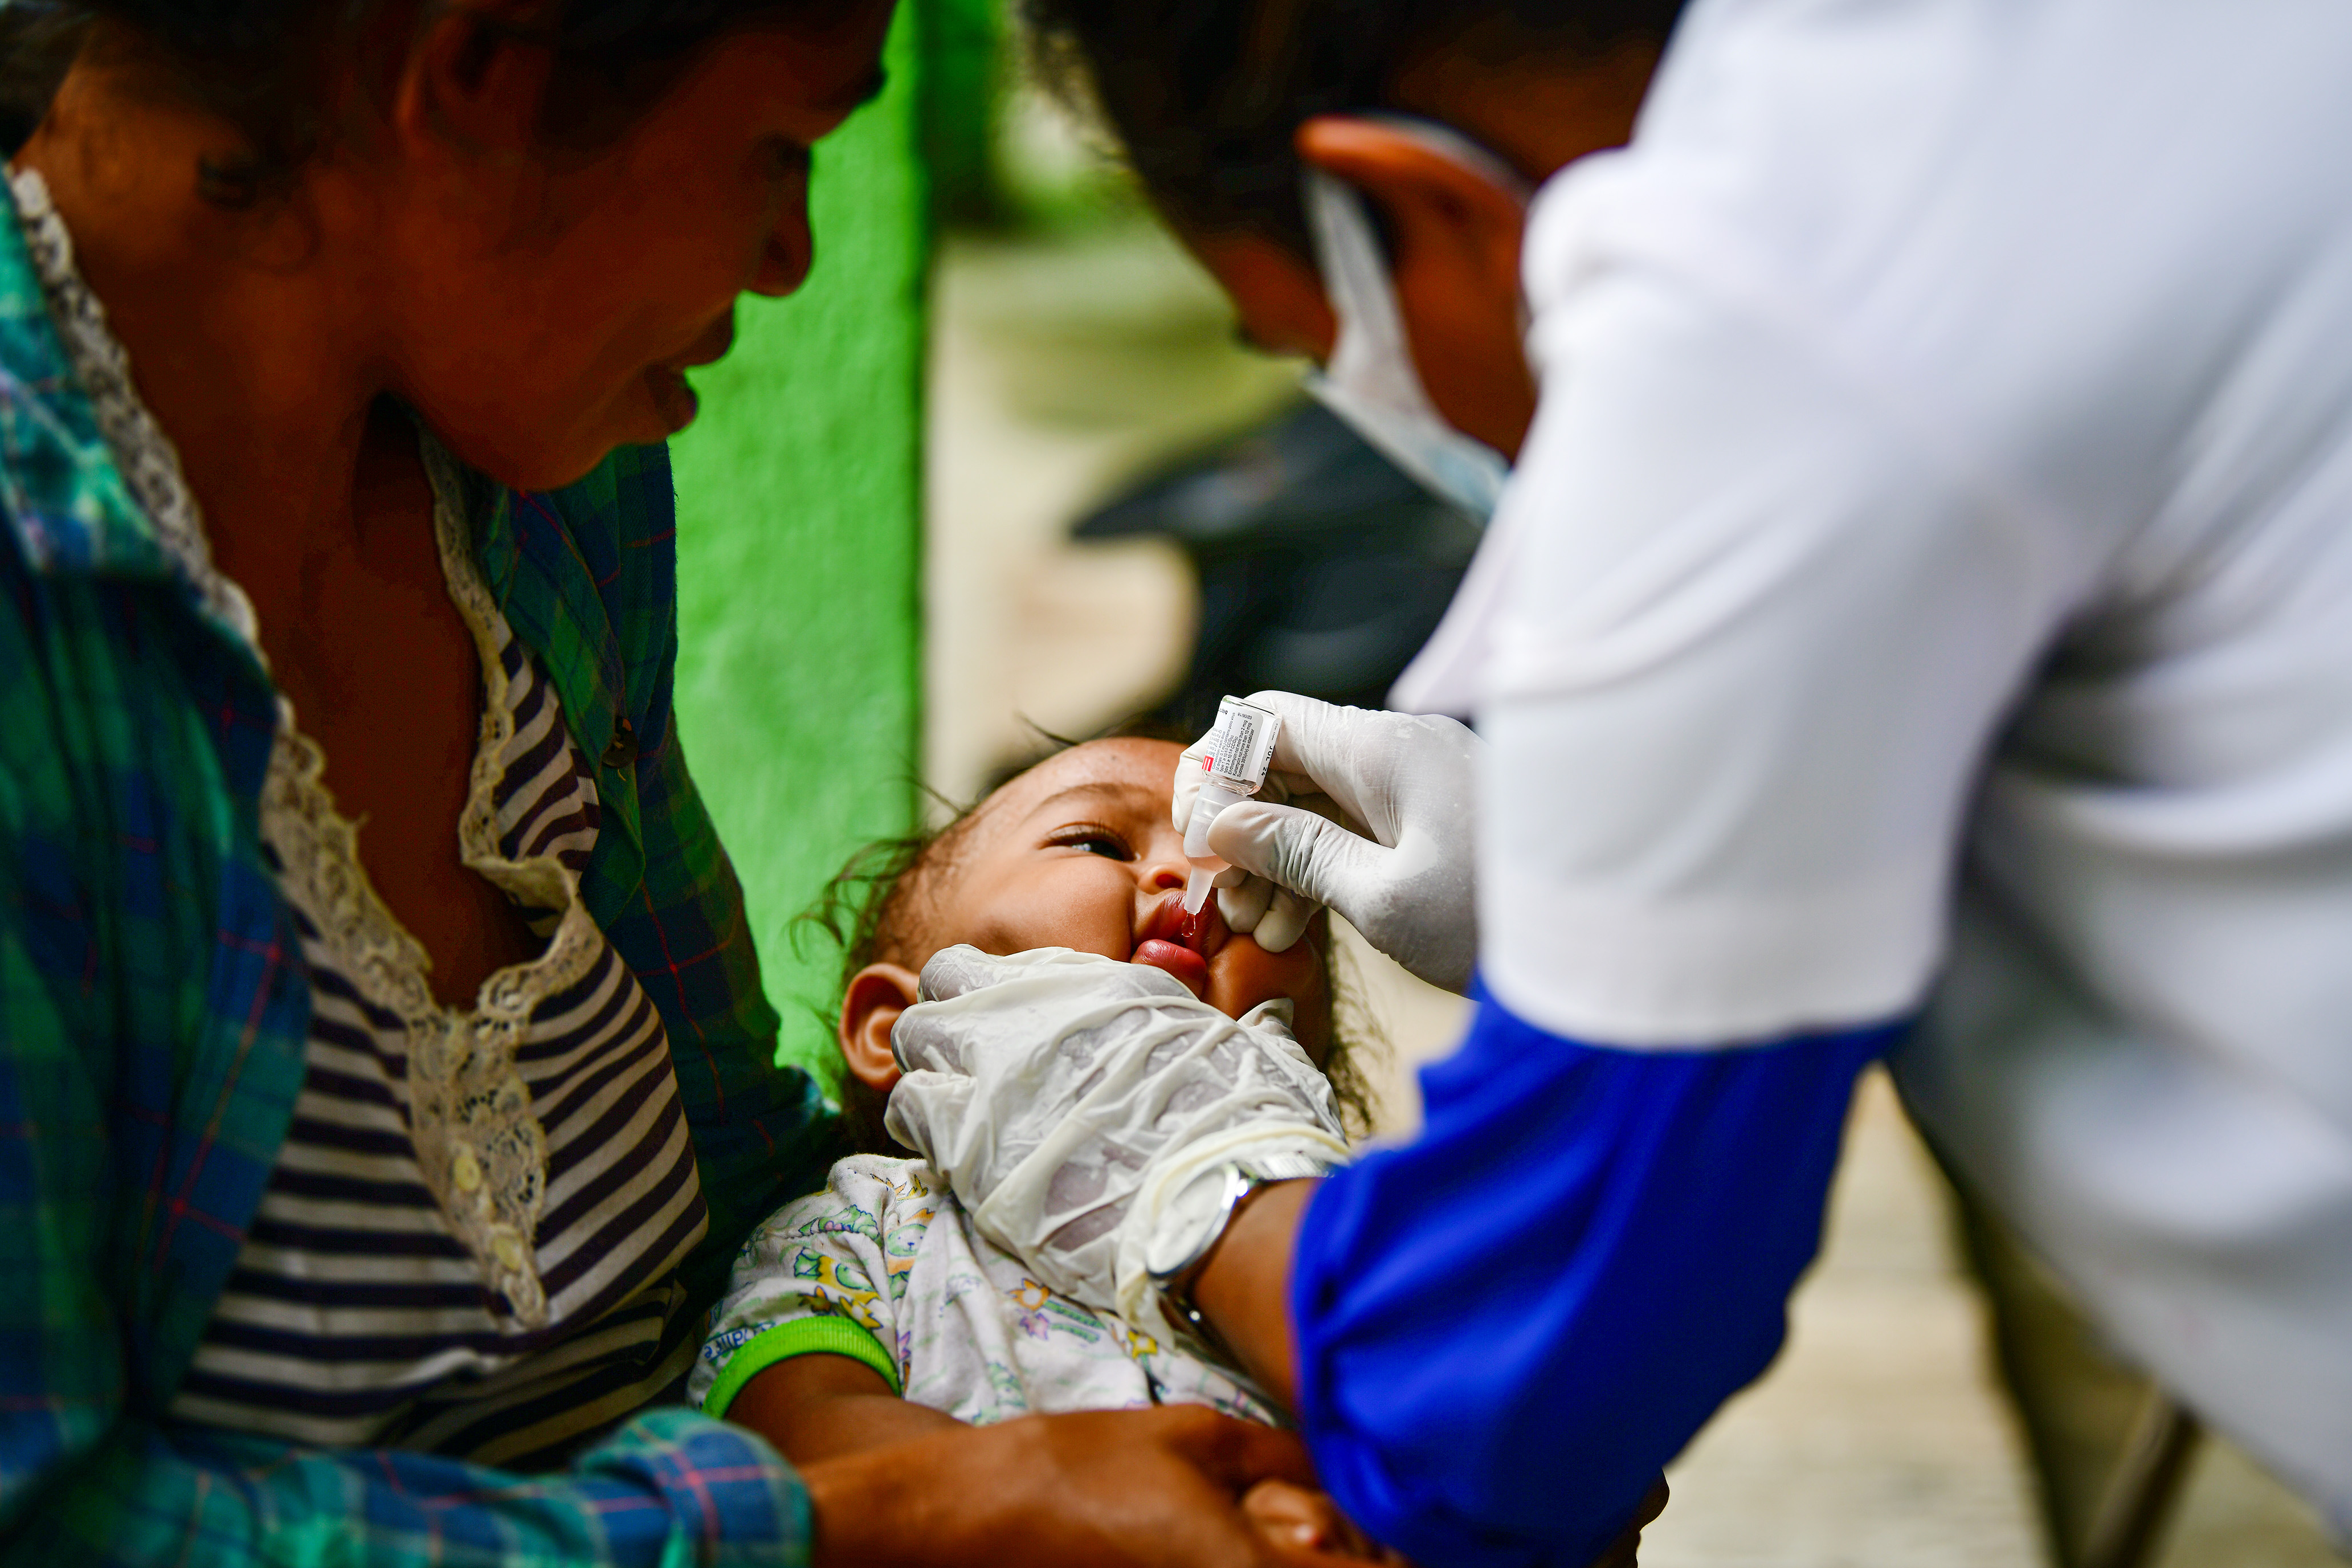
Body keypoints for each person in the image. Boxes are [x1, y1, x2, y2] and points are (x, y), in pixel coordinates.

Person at [880, 0, 2352, 1563]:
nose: (1167, 880)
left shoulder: (1754, 348)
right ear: (887, 1020)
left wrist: (1179, 1173)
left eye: (1318, 352)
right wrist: (1562, 880)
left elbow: (1518, 1403)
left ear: (1418, 205)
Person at [0, 5, 1350, 1563]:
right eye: (778, 150)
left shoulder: (544, 496)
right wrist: (877, 1509)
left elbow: (735, 1163)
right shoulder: (52, 633)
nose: (788, 254)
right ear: (480, 80)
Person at [690, 736, 1405, 1562]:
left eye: (1264, 890)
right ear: (899, 1029)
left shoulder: (1354, 1218)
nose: (1196, 871)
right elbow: (800, 1452)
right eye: (1098, 842)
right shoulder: (857, 1232)